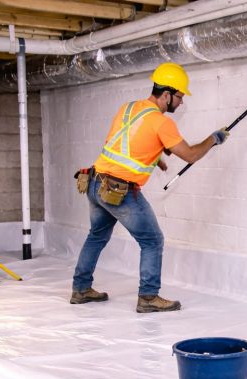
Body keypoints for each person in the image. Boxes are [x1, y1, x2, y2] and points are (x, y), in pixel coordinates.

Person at [71, 63, 229, 313]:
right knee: (153, 240)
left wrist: (156, 156)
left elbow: (129, 141)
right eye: (179, 96)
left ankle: (80, 289)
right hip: (118, 191)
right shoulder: (161, 123)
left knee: (97, 236)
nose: (181, 102)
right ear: (166, 94)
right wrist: (213, 139)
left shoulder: (129, 108)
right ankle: (148, 297)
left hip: (94, 181)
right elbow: (190, 155)